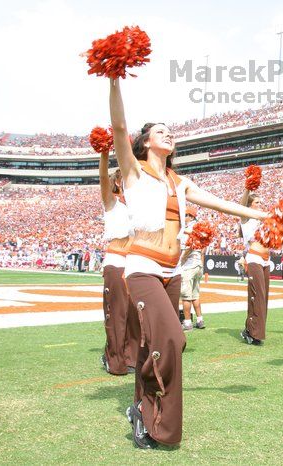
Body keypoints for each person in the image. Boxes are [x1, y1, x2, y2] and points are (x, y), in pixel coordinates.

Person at [109, 78, 267, 449]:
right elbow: (118, 126)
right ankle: (153, 422)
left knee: (159, 346)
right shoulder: (132, 171)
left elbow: (218, 203)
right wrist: (115, 79)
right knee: (172, 337)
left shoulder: (179, 181)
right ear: (146, 141)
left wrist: (262, 214)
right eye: (160, 131)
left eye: (170, 131)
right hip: (143, 267)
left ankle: (138, 406)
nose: (168, 134)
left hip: (173, 271)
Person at [98, 150, 138, 376]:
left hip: (135, 264)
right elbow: (103, 178)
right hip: (116, 262)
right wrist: (104, 155)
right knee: (117, 314)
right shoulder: (112, 204)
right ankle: (116, 361)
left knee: (134, 315)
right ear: (117, 183)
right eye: (122, 177)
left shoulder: (138, 207)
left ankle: (131, 359)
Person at [239, 190, 273, 346]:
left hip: (266, 260)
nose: (260, 204)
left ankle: (254, 329)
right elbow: (240, 206)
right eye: (257, 202)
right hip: (254, 258)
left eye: (261, 202)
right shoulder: (246, 218)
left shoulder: (264, 220)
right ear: (249, 205)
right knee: (257, 294)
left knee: (264, 296)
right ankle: (252, 331)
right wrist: (247, 188)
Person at [179, 207, 205, 331]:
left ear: (190, 216)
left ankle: (188, 322)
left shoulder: (189, 228)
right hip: (198, 263)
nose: (183, 218)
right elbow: (203, 248)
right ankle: (200, 320)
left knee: (186, 296)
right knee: (195, 295)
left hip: (189, 265)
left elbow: (189, 246)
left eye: (184, 215)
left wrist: (182, 259)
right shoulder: (199, 227)